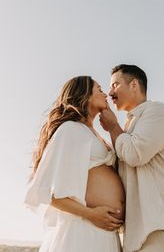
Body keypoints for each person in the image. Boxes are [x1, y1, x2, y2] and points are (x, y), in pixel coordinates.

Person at [99, 64, 164, 252]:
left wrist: (113, 128)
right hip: (139, 238)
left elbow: (136, 154)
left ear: (134, 85)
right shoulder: (128, 128)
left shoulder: (159, 112)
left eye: (115, 85)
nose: (110, 92)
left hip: (163, 230)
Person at [24, 76, 125, 252]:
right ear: (84, 94)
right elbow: (48, 193)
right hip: (83, 232)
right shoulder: (70, 129)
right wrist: (91, 214)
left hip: (106, 234)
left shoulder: (96, 134)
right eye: (99, 90)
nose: (106, 94)